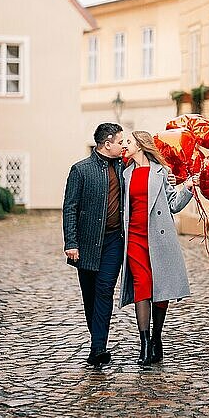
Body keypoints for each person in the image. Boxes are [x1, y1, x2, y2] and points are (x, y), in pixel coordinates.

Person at [119, 130, 196, 368]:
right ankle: (143, 343)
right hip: (135, 238)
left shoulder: (161, 173)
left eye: (128, 142)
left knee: (159, 287)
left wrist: (189, 188)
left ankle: (157, 339)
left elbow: (173, 205)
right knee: (142, 285)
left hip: (158, 237)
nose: (125, 145)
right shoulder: (125, 174)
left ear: (141, 145)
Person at [63, 123, 125, 367]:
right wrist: (71, 242)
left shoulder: (125, 168)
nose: (123, 146)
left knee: (104, 291)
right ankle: (97, 338)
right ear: (107, 143)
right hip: (87, 244)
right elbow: (70, 208)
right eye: (120, 142)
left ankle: (98, 348)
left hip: (114, 241)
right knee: (90, 296)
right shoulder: (80, 170)